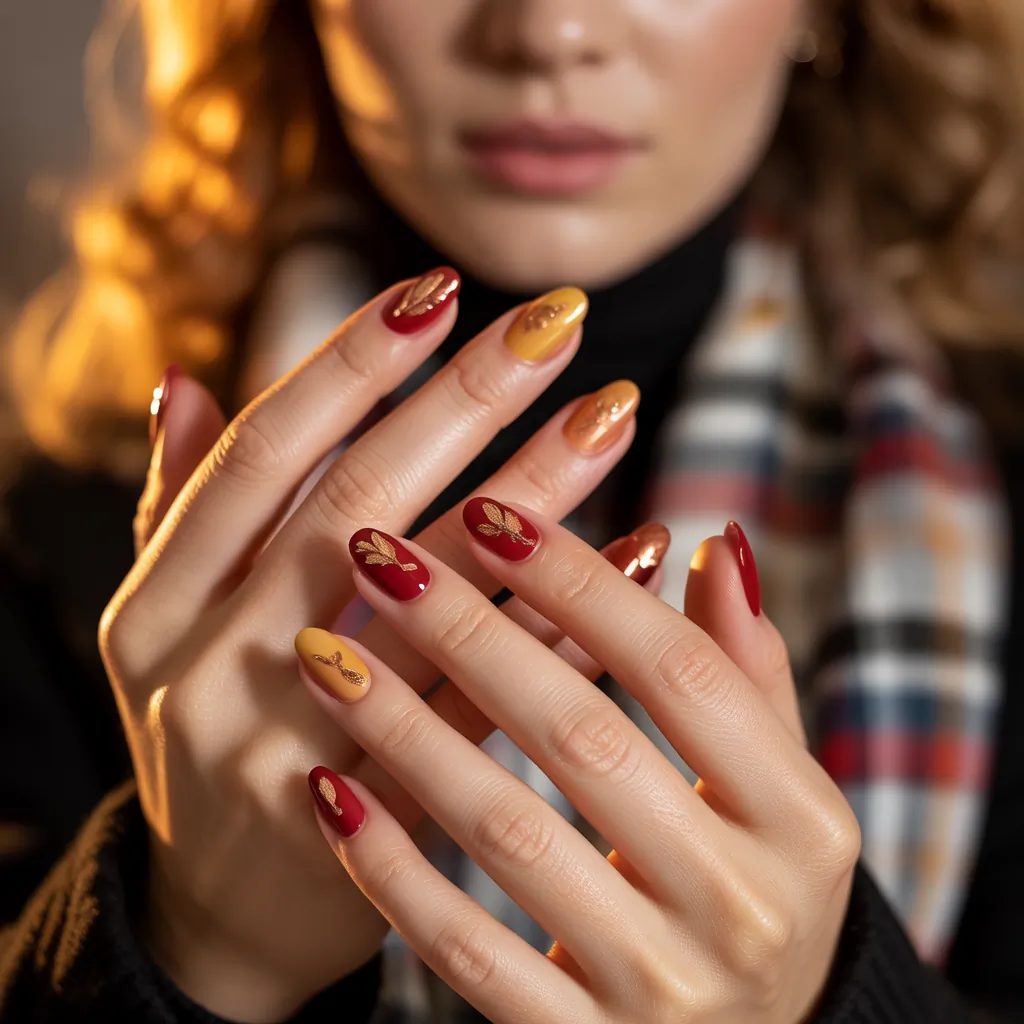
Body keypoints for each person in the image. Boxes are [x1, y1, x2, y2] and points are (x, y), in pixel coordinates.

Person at [2, 0, 1023, 1020]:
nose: (547, 32)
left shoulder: (1004, 472)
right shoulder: (56, 542)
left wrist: (830, 1001)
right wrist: (197, 955)